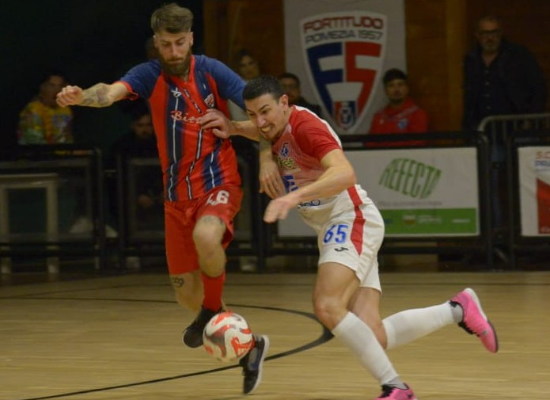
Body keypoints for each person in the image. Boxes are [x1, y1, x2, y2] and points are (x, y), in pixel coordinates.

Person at [199, 75, 499, 400]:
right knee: (373, 336)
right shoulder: (275, 125)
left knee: (327, 304)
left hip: (350, 219)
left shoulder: (305, 127)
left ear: (284, 103)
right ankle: (458, 309)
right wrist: (233, 127)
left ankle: (396, 388)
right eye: (252, 113)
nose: (259, 121)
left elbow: (345, 173)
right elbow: (261, 130)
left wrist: (293, 197)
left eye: (265, 111)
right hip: (335, 226)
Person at [56, 4, 268, 395]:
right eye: (166, 44)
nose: (173, 52)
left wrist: (259, 147)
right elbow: (109, 93)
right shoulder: (148, 74)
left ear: (191, 39)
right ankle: (249, 345)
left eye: (180, 43)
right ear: (156, 42)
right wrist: (80, 96)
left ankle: (211, 310)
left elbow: (262, 107)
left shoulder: (212, 71)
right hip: (176, 199)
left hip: (218, 182)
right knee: (186, 295)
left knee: (207, 237)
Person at [462, 15, 547, 249]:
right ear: (477, 36)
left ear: (500, 34)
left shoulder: (518, 56)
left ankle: (527, 240)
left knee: (523, 185)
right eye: (485, 33)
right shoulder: (471, 59)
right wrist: (469, 128)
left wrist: (529, 120)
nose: (490, 38)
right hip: (487, 134)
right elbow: (470, 97)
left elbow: (538, 88)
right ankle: (497, 239)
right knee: (488, 185)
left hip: (518, 132)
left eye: (494, 32)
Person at [367, 68, 428, 147]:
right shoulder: (378, 117)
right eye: (391, 85)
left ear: (407, 88)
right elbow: (370, 144)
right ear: (385, 91)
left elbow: (417, 144)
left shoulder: (417, 114)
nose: (396, 90)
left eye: (400, 85)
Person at [18, 70, 73, 144]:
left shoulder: (66, 110)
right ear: (43, 87)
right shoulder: (33, 110)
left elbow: (67, 137)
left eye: (60, 86)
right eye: (52, 86)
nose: (57, 90)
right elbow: (33, 141)